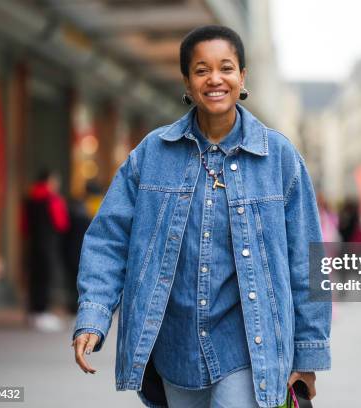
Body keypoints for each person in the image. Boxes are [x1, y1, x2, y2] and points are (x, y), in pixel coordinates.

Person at [71, 25, 331, 408]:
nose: (215, 79)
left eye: (226, 68)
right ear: (188, 83)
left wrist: (308, 355)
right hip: (176, 351)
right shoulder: (152, 154)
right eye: (201, 70)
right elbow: (109, 238)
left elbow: (307, 259)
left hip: (249, 350)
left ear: (242, 77)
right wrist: (94, 316)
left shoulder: (279, 157)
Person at [23, 169, 69, 332]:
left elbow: (24, 226)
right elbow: (61, 223)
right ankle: (42, 313)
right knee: (45, 278)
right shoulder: (52, 200)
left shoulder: (29, 199)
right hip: (48, 245)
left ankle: (33, 314)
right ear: (49, 181)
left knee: (34, 279)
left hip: (32, 244)